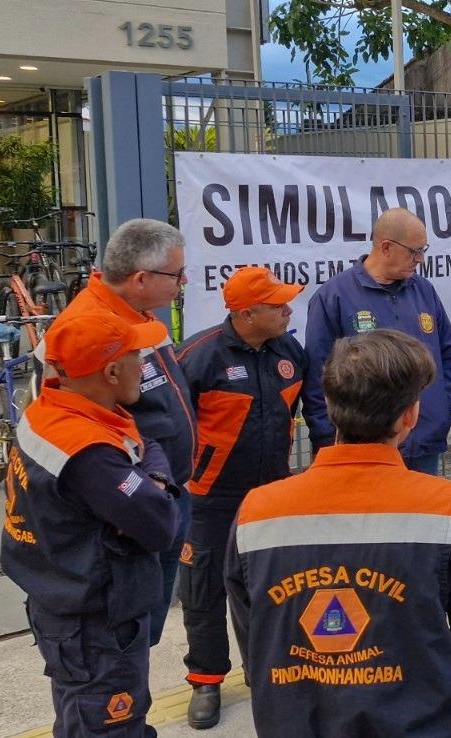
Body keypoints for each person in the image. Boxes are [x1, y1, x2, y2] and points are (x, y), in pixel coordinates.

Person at [223, 329, 451, 737]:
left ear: (330, 405)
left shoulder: (256, 511)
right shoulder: (449, 509)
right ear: (409, 416)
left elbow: (256, 641)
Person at [1, 310, 181, 737]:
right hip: (98, 625)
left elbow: (144, 443)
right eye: (138, 356)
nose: (145, 366)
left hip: (64, 607)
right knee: (109, 725)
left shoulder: (53, 411)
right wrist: (156, 483)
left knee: (79, 716)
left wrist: (151, 477)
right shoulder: (90, 452)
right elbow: (161, 523)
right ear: (112, 372)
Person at [46, 218, 197, 645]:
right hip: (131, 511)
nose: (183, 282)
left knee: (147, 626)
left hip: (164, 493)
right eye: (177, 274)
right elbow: (76, 426)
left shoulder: (139, 316)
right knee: (129, 636)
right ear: (141, 278)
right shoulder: (86, 329)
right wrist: (148, 491)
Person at [173, 266, 307, 729]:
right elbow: (169, 429)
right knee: (202, 591)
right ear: (247, 314)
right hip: (208, 499)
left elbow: (314, 411)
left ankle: (263, 669)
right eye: (278, 305)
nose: (288, 311)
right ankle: (206, 679)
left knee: (269, 587)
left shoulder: (290, 352)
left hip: (269, 496)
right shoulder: (198, 357)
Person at [302, 207, 451, 475]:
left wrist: (443, 408)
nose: (420, 259)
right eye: (415, 251)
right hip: (362, 451)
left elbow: (448, 353)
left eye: (423, 250)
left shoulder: (424, 291)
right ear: (386, 247)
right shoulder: (334, 297)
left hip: (424, 443)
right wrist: (328, 440)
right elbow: (319, 375)